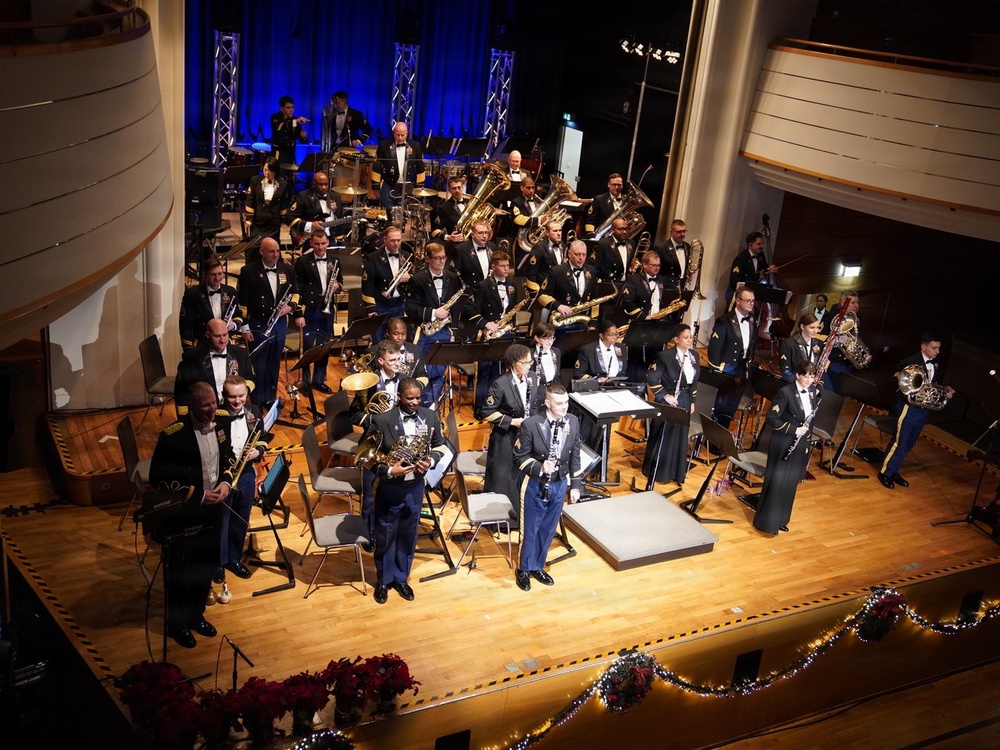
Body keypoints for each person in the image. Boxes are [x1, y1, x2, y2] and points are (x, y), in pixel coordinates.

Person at [148, 381, 236, 648]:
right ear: (192, 406)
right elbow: (158, 479)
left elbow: (229, 456)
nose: (212, 410)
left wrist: (226, 483)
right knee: (181, 573)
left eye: (213, 403)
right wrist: (197, 494)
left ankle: (197, 615)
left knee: (205, 567)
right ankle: (177, 625)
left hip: (214, 510)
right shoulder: (173, 436)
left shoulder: (222, 422)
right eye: (205, 406)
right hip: (184, 514)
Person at [363, 377, 447, 604]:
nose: (414, 402)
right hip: (390, 487)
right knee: (386, 534)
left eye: (418, 398)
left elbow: (440, 444)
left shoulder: (429, 416)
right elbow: (366, 457)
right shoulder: (381, 420)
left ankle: (401, 578)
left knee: (408, 534)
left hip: (415, 487)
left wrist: (430, 461)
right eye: (410, 398)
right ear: (399, 397)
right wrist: (390, 469)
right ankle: (383, 580)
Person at [512, 383, 581, 591]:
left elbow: (575, 454)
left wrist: (575, 485)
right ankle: (523, 569)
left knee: (548, 528)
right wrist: (539, 467)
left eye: (566, 402)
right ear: (547, 403)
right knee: (530, 530)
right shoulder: (531, 425)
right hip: (534, 483)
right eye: (559, 403)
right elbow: (518, 458)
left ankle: (537, 565)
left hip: (559, 484)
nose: (564, 407)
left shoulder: (573, 421)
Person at [878, 333, 954, 490]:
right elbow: (894, 382)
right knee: (901, 441)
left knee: (910, 442)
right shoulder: (909, 362)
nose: (937, 351)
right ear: (923, 346)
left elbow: (932, 384)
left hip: (923, 409)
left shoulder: (935, 363)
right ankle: (885, 472)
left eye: (939, 348)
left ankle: (894, 470)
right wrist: (912, 391)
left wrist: (944, 391)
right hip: (908, 407)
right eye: (934, 348)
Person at [752, 361, 821, 535]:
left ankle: (782, 519)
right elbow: (772, 419)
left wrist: (806, 443)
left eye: (812, 377)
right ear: (798, 375)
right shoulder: (785, 393)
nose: (809, 380)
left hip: (799, 444)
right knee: (777, 483)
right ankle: (767, 523)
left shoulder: (813, 391)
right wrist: (793, 430)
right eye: (806, 376)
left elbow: (809, 421)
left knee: (790, 483)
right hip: (783, 443)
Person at [481, 343, 545, 521]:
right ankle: (499, 520)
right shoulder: (500, 384)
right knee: (503, 476)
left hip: (526, 436)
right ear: (513, 362)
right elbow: (486, 412)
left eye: (530, 362)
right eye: (524, 363)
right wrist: (512, 422)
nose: (528, 366)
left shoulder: (532, 377)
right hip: (505, 437)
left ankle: (520, 515)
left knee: (521, 474)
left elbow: (533, 404)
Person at [237, 237, 303, 406]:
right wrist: (245, 328)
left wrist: (290, 308)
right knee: (259, 364)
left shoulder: (287, 269)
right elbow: (242, 302)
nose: (275, 255)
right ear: (262, 252)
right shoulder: (248, 271)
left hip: (279, 323)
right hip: (258, 323)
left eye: (277, 251)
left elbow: (295, 293)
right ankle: (257, 401)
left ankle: (270, 398)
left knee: (274, 362)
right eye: (271, 251)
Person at [214, 375, 267, 582]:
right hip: (222, 475)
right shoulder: (217, 415)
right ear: (224, 396)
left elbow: (263, 438)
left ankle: (234, 559)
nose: (237, 401)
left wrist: (258, 451)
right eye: (232, 397)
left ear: (247, 394)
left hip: (245, 472)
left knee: (240, 519)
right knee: (221, 521)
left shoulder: (253, 412)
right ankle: (218, 562)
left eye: (241, 396)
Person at [404, 241, 463, 407]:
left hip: (444, 330)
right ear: (428, 259)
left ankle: (431, 405)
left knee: (439, 368)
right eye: (437, 258)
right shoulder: (417, 279)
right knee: (421, 369)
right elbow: (410, 308)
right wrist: (432, 313)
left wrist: (453, 332)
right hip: (424, 331)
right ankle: (418, 404)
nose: (442, 261)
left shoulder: (452, 278)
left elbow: (456, 307)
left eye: (443, 257)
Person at [643, 323, 700, 485]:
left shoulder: (695, 355)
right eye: (686, 338)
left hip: (685, 400)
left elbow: (695, 382)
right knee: (664, 436)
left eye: (691, 337)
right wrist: (664, 396)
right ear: (676, 339)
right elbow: (652, 378)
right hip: (668, 401)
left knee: (680, 437)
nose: (690, 341)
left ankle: (676, 472)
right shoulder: (664, 356)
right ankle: (658, 473)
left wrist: (693, 401)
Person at [294, 229, 343, 394]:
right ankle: (306, 383)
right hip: (311, 309)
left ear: (328, 242)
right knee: (308, 347)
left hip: (327, 309)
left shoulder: (335, 260)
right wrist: (298, 313)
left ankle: (318, 381)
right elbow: (297, 289)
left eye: (323, 243)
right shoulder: (302, 262)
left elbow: (340, 281)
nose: (320, 247)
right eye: (316, 244)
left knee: (324, 347)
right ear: (311, 243)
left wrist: (338, 286)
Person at [175, 318, 256, 415]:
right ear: (207, 335)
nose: (222, 340)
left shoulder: (240, 353)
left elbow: (251, 378)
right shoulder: (192, 357)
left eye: (225, 335)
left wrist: (239, 394)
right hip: (204, 413)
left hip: (234, 410)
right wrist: (184, 416)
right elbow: (182, 390)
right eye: (217, 336)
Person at [620, 250, 678, 383]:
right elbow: (628, 302)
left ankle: (649, 385)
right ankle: (633, 385)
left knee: (655, 355)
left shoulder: (662, 280)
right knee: (636, 357)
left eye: (658, 265)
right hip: (641, 324)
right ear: (645, 265)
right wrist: (644, 317)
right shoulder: (634, 280)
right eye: (653, 265)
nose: (657, 268)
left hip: (658, 325)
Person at [707, 286, 758, 430]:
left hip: (741, 370)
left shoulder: (753, 320)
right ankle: (712, 437)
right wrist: (716, 371)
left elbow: (751, 346)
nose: (751, 304)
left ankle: (722, 435)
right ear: (738, 301)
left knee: (732, 406)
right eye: (748, 300)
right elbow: (714, 349)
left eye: (753, 301)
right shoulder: (724, 321)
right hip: (726, 370)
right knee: (720, 405)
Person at [573, 319, 626, 447]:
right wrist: (597, 380)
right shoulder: (587, 350)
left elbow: (622, 371)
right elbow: (578, 373)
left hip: (612, 393)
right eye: (611, 334)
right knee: (590, 431)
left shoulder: (621, 348)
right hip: (593, 394)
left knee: (605, 431)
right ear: (601, 335)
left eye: (616, 334)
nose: (614, 337)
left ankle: (602, 461)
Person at [537, 239, 601, 339]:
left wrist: (593, 323)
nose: (581, 258)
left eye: (583, 255)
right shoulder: (556, 271)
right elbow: (542, 295)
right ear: (569, 253)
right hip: (560, 323)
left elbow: (595, 300)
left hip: (582, 322)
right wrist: (558, 306)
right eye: (577, 254)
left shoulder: (591, 271)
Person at [361, 225, 414, 339]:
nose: (396, 244)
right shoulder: (372, 258)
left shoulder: (407, 255)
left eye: (398, 240)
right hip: (381, 305)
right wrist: (371, 308)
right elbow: (367, 286)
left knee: (399, 340)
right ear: (384, 239)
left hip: (400, 304)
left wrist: (410, 278)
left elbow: (416, 281)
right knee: (379, 340)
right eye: (392, 240)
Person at [179, 255, 240, 350]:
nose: (217, 278)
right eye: (213, 274)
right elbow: (185, 324)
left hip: (225, 344)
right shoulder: (192, 294)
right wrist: (189, 348)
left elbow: (238, 315)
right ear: (205, 274)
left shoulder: (230, 291)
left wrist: (234, 325)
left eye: (220, 274)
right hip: (202, 345)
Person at [370, 121, 426, 208]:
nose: (400, 138)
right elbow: (377, 167)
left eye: (402, 135)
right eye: (397, 135)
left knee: (403, 214)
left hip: (406, 186)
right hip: (388, 184)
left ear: (407, 133)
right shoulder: (384, 145)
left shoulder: (415, 146)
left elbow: (420, 168)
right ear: (393, 133)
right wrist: (375, 187)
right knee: (387, 213)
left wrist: (419, 187)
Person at [286, 171, 346, 247]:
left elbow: (339, 220)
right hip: (310, 239)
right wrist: (310, 225)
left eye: (326, 184)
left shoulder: (336, 197)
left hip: (330, 239)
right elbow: (289, 218)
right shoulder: (303, 197)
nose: (324, 187)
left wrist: (339, 241)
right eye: (320, 184)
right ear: (313, 184)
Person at [244, 157, 294, 246]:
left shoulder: (283, 184)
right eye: (265, 170)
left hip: (273, 223)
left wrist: (282, 220)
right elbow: (250, 200)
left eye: (270, 171)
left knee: (272, 246)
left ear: (275, 171)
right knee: (256, 246)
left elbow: (283, 203)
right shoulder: (255, 180)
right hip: (257, 221)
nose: (267, 173)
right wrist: (249, 219)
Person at [819, 290, 860, 395]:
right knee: (829, 393)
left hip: (848, 363)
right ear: (843, 303)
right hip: (833, 362)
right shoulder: (831, 316)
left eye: (857, 303)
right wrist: (836, 339)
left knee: (841, 393)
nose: (856, 305)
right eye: (853, 302)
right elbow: (819, 336)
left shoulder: (858, 318)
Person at [725, 231, 776, 308]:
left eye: (762, 243)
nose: (762, 246)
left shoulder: (761, 255)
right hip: (738, 293)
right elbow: (734, 280)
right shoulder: (740, 259)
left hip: (752, 292)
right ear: (750, 244)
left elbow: (764, 269)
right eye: (759, 244)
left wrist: (770, 269)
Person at [449, 219, 498, 290]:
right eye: (480, 233)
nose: (484, 236)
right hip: (470, 293)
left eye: (486, 233)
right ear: (472, 234)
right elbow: (453, 276)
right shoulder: (461, 249)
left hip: (489, 291)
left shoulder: (492, 247)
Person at [779, 313, 823, 383]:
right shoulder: (788, 344)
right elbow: (785, 370)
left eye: (818, 327)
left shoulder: (819, 344)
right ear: (802, 327)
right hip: (794, 384)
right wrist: (799, 383)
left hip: (812, 384)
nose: (816, 331)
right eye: (812, 327)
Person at [524, 219, 566, 285]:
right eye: (555, 231)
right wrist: (535, 293)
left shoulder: (562, 245)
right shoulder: (539, 248)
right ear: (547, 233)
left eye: (560, 230)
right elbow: (531, 274)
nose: (558, 233)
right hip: (544, 288)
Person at [593, 217, 635, 283]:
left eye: (626, 229)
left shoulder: (631, 243)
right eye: (621, 229)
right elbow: (593, 267)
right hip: (608, 284)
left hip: (626, 284)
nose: (624, 232)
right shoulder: (603, 244)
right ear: (612, 230)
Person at [269, 95, 308, 162]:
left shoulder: (294, 119)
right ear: (281, 108)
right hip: (279, 155)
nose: (291, 110)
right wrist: (296, 121)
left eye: (292, 107)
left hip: (291, 155)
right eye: (288, 108)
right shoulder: (275, 118)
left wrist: (303, 136)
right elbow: (281, 127)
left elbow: (300, 138)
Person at [430, 176, 469, 243]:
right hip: (457, 244)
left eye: (459, 187)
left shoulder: (470, 202)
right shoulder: (444, 208)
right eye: (454, 188)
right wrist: (449, 237)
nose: (457, 190)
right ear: (449, 190)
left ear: (462, 187)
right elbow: (435, 230)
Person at [653, 219, 691, 286]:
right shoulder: (661, 248)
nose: (682, 234)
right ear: (671, 232)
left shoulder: (687, 246)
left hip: (682, 284)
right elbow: (656, 270)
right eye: (679, 232)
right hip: (666, 285)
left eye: (684, 231)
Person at [528, 321, 562, 387]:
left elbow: (557, 375)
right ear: (536, 338)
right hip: (537, 391)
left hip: (554, 388)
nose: (550, 342)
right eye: (546, 339)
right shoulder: (529, 353)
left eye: (552, 338)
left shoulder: (556, 351)